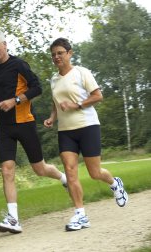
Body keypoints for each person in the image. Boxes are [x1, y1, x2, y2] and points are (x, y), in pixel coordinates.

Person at [0, 30, 67, 234]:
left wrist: (15, 101)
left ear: (4, 44)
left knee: (39, 169)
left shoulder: (19, 64)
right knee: (7, 170)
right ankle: (13, 219)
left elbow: (37, 88)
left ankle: (62, 177)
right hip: (5, 127)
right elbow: (2, 94)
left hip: (24, 123)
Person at [44, 37, 129, 231]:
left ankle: (114, 183)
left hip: (87, 126)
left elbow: (98, 95)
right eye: (53, 54)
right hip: (65, 132)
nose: (56, 57)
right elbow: (56, 102)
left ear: (69, 53)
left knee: (95, 173)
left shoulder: (82, 73)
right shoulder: (54, 79)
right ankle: (81, 215)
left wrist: (77, 105)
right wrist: (52, 117)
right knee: (70, 172)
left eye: (60, 53)